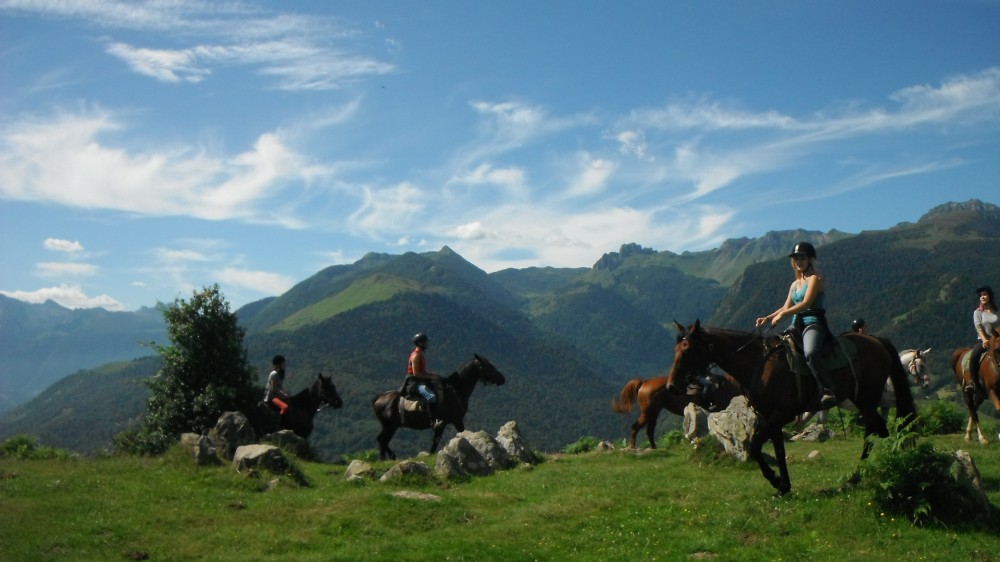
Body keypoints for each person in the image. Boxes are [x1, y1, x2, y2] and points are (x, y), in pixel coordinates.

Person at [755, 241, 839, 408]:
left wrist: (783, 314)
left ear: (809, 259)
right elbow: (786, 306)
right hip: (796, 324)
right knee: (775, 350)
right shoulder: (795, 284)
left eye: (802, 258)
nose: (799, 261)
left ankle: (828, 388)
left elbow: (806, 303)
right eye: (796, 258)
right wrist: (768, 317)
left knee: (811, 352)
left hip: (812, 323)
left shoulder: (815, 279)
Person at [407, 332, 446, 428]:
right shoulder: (416, 356)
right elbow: (416, 374)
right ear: (420, 343)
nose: (427, 344)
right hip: (415, 383)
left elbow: (422, 372)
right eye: (425, 342)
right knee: (431, 396)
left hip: (421, 380)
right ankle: (433, 421)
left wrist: (433, 375)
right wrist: (430, 376)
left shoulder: (420, 354)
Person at [967, 285, 999, 392]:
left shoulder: (997, 311)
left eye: (984, 294)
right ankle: (972, 381)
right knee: (975, 354)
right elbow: (979, 328)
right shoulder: (978, 312)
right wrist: (985, 339)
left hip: (998, 339)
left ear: (990, 296)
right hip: (984, 340)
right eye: (980, 295)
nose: (982, 297)